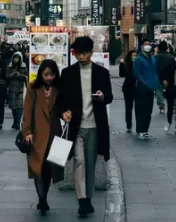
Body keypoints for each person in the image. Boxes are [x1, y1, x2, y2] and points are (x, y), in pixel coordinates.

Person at [57, 36, 113, 217]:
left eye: (84, 53)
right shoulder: (67, 73)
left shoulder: (102, 73)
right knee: (79, 160)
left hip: (96, 125)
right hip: (76, 125)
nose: (81, 57)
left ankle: (88, 198)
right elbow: (61, 100)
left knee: (91, 162)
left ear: (91, 52)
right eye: (77, 54)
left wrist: (102, 96)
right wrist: (64, 112)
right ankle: (82, 199)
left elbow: (110, 97)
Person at [22, 59, 65, 214]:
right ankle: (41, 198)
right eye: (46, 74)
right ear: (41, 73)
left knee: (49, 167)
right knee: (37, 167)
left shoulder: (59, 87)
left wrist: (65, 114)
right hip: (37, 132)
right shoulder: (33, 87)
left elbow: (62, 107)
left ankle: (44, 197)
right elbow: (27, 110)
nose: (49, 77)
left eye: (52, 74)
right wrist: (27, 131)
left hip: (54, 132)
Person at [133, 40, 161, 140]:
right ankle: (140, 130)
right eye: (145, 44)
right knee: (141, 110)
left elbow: (155, 72)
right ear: (141, 46)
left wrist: (156, 84)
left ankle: (145, 130)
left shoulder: (153, 59)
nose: (147, 46)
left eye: (149, 44)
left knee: (148, 110)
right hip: (141, 88)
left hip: (151, 88)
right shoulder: (138, 59)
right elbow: (136, 73)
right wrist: (144, 83)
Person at [7, 52, 28, 129]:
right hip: (12, 88)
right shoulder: (10, 66)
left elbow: (27, 76)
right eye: (15, 57)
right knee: (13, 107)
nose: (16, 59)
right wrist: (12, 74)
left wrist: (20, 75)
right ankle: (15, 121)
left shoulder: (24, 66)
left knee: (20, 106)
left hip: (21, 88)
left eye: (17, 58)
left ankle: (18, 123)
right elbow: (6, 75)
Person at [119, 50, 138, 133]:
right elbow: (122, 74)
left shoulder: (138, 64)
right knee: (128, 107)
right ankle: (129, 125)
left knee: (138, 107)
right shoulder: (126, 64)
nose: (134, 57)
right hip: (128, 88)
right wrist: (121, 65)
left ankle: (139, 125)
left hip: (137, 88)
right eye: (133, 55)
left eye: (135, 55)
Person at [154, 41, 174, 114]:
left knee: (159, 92)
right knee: (171, 91)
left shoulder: (155, 57)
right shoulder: (171, 57)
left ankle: (161, 107)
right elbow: (173, 68)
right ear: (166, 48)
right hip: (169, 77)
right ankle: (172, 106)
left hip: (158, 76)